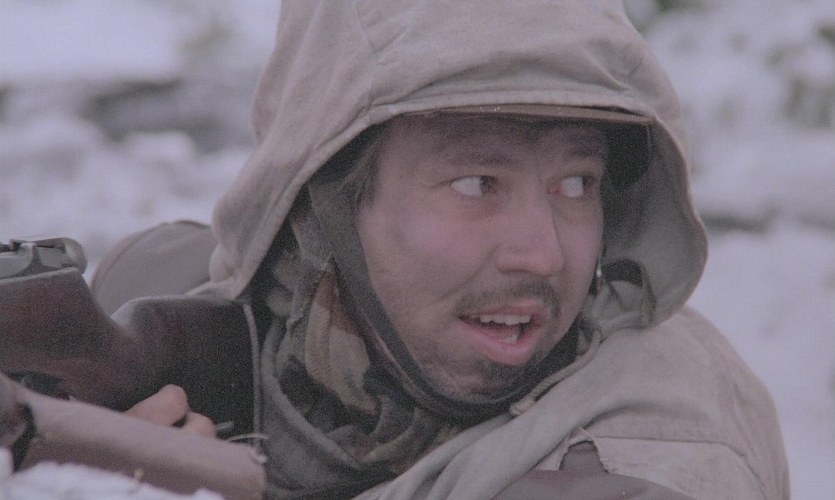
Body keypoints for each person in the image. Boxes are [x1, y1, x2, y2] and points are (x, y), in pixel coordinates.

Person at [13, 1, 790, 498]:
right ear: (322, 203)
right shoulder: (172, 304)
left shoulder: (656, 448)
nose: (543, 255)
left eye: (576, 183)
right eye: (477, 183)